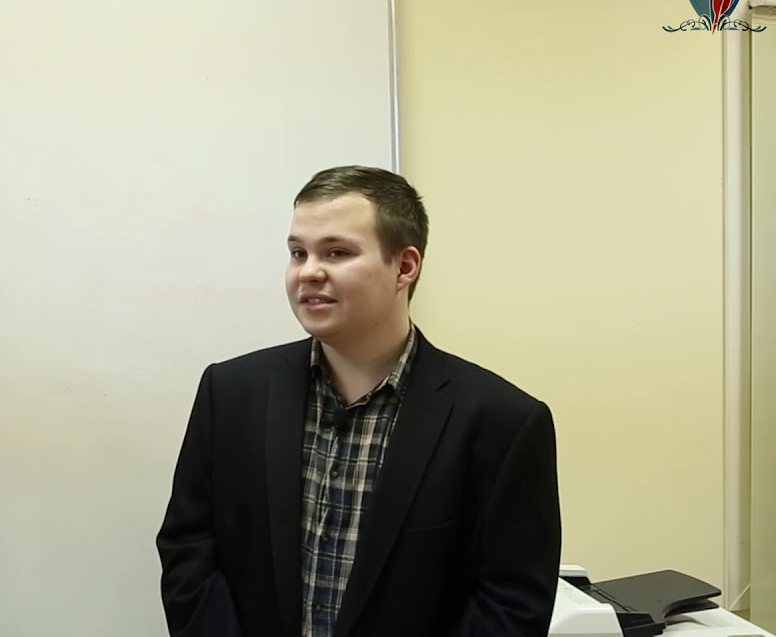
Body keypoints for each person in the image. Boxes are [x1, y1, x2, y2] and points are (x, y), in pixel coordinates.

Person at [156, 165, 562, 636]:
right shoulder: (231, 393)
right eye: (298, 252)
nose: (309, 271)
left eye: (337, 252)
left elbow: (511, 603)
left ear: (404, 267)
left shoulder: (502, 422)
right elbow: (188, 549)